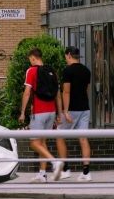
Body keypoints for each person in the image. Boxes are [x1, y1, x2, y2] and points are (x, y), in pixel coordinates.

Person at [19, 47, 64, 183]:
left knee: (34, 143)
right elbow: (58, 95)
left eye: (30, 59)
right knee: (42, 142)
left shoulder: (31, 71)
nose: (30, 61)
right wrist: (59, 114)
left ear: (33, 57)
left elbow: (27, 93)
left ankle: (55, 162)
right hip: (51, 111)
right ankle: (42, 174)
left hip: (39, 112)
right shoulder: (52, 72)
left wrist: (22, 112)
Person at [60, 46, 92, 182]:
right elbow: (87, 90)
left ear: (68, 55)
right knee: (83, 139)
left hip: (72, 109)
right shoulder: (86, 70)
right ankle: (86, 172)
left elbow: (66, 92)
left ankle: (65, 169)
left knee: (59, 136)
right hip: (85, 108)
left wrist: (65, 110)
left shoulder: (67, 71)